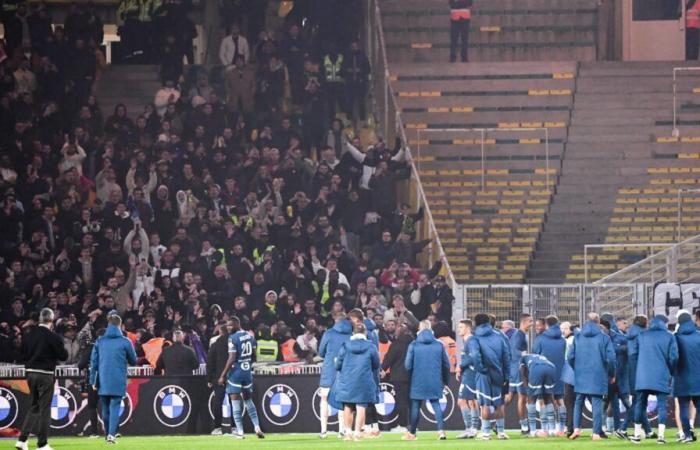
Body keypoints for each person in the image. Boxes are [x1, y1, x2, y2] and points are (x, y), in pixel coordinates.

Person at [15, 308, 68, 450]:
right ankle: (42, 444)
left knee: (34, 406)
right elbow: (63, 356)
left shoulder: (29, 334)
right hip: (45, 375)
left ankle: (22, 440)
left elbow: (21, 355)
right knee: (44, 409)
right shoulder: (54, 337)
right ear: (51, 320)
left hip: (30, 374)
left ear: (40, 319)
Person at [89, 312, 137, 444]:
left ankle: (108, 435)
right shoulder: (125, 342)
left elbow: (93, 362)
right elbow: (134, 361)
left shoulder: (100, 341)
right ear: (120, 326)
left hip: (102, 378)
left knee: (105, 407)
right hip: (118, 378)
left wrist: (93, 380)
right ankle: (111, 434)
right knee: (115, 405)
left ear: (108, 325)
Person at [630, 314, 678, 444]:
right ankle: (661, 437)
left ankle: (636, 435)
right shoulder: (669, 336)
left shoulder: (642, 336)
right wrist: (671, 371)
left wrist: (638, 371)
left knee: (640, 404)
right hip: (661, 375)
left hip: (643, 376)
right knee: (662, 405)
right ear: (664, 323)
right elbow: (674, 357)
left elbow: (633, 355)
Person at [568, 312, 616, 441]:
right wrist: (612, 374)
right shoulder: (604, 337)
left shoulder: (578, 337)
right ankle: (595, 433)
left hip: (581, 374)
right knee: (596, 403)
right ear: (598, 321)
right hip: (598, 374)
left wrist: (576, 368)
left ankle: (576, 429)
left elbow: (570, 357)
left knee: (578, 402)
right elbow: (611, 359)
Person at [403, 320, 450, 441]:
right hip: (435, 379)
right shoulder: (439, 344)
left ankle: (412, 434)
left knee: (415, 407)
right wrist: (445, 380)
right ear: (430, 329)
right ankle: (441, 432)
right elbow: (446, 364)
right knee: (436, 404)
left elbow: (407, 365)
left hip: (417, 380)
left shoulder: (414, 344)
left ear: (419, 329)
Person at [217, 317, 264, 439]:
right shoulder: (250, 336)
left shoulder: (232, 338)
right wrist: (247, 364)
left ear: (237, 324)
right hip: (247, 372)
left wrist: (222, 375)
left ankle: (240, 432)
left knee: (235, 401)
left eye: (231, 325)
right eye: (227, 326)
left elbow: (232, 357)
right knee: (248, 400)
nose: (228, 328)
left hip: (236, 372)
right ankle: (257, 427)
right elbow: (254, 355)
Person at [334, 322, 380, 441]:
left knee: (348, 406)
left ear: (353, 333)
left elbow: (338, 364)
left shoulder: (345, 345)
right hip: (364, 380)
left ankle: (348, 432)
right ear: (365, 333)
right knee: (361, 406)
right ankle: (357, 432)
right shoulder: (371, 347)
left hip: (347, 380)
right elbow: (376, 364)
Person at [470, 313, 510, 440]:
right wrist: (506, 375)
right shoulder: (500, 336)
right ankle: (501, 432)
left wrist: (481, 369)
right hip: (498, 373)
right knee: (498, 403)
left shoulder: (475, 337)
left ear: (476, 323)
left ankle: (486, 433)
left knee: (485, 403)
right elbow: (506, 357)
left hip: (483, 374)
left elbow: (475, 356)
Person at [318, 313, 352, 438]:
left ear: (335, 320)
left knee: (324, 399)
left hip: (329, 370)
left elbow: (321, 352)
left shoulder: (328, 333)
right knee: (342, 401)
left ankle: (323, 431)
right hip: (344, 370)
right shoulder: (351, 334)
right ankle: (341, 431)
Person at [620, 315, 654, 440]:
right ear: (645, 323)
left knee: (639, 401)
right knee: (639, 402)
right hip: (642, 371)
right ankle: (623, 428)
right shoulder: (645, 335)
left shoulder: (630, 334)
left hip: (632, 372)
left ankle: (648, 431)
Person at [533, 315, 567, 435]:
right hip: (559, 372)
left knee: (543, 399)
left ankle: (547, 428)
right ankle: (561, 429)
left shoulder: (540, 339)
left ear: (546, 325)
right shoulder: (563, 339)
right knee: (559, 399)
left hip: (545, 372)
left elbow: (535, 355)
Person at [599, 313, 630, 438]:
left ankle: (616, 428)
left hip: (618, 376)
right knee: (605, 403)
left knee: (616, 403)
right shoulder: (604, 338)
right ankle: (603, 428)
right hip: (608, 376)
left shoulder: (620, 337)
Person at [381, 324, 413, 433]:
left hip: (399, 377)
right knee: (412, 401)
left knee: (401, 401)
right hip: (413, 376)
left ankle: (403, 425)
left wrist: (382, 370)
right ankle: (412, 425)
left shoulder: (396, 344)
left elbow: (389, 359)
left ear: (399, 333)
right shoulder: (414, 344)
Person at [674, 309, 700, 443]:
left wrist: (673, 370)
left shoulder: (676, 337)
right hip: (698, 378)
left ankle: (687, 435)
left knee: (683, 407)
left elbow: (673, 358)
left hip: (681, 378)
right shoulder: (699, 335)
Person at [520, 353, 557, 437]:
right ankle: (551, 430)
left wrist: (528, 391)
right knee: (547, 397)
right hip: (551, 367)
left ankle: (532, 431)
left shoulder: (523, 358)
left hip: (537, 368)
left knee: (531, 400)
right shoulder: (540, 356)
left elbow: (523, 374)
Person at [509, 313, 532, 435]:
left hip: (514, 368)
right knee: (522, 397)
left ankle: (497, 423)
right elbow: (515, 351)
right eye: (530, 321)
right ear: (523, 322)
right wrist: (525, 358)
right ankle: (524, 426)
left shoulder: (521, 334)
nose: (532, 324)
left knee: (509, 397)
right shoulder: (520, 335)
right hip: (518, 369)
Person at [206, 321, 230, 435]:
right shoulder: (233, 344)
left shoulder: (215, 345)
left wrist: (209, 379)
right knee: (234, 401)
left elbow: (209, 363)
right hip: (232, 377)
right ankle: (235, 426)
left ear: (220, 332)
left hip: (218, 377)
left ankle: (217, 428)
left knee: (218, 402)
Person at [456, 319, 479, 439]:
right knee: (467, 401)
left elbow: (473, 357)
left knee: (469, 401)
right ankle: (470, 428)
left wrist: (460, 366)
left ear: (468, 328)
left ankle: (472, 428)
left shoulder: (471, 341)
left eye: (461, 327)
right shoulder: (468, 341)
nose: (458, 329)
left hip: (471, 374)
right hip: (467, 373)